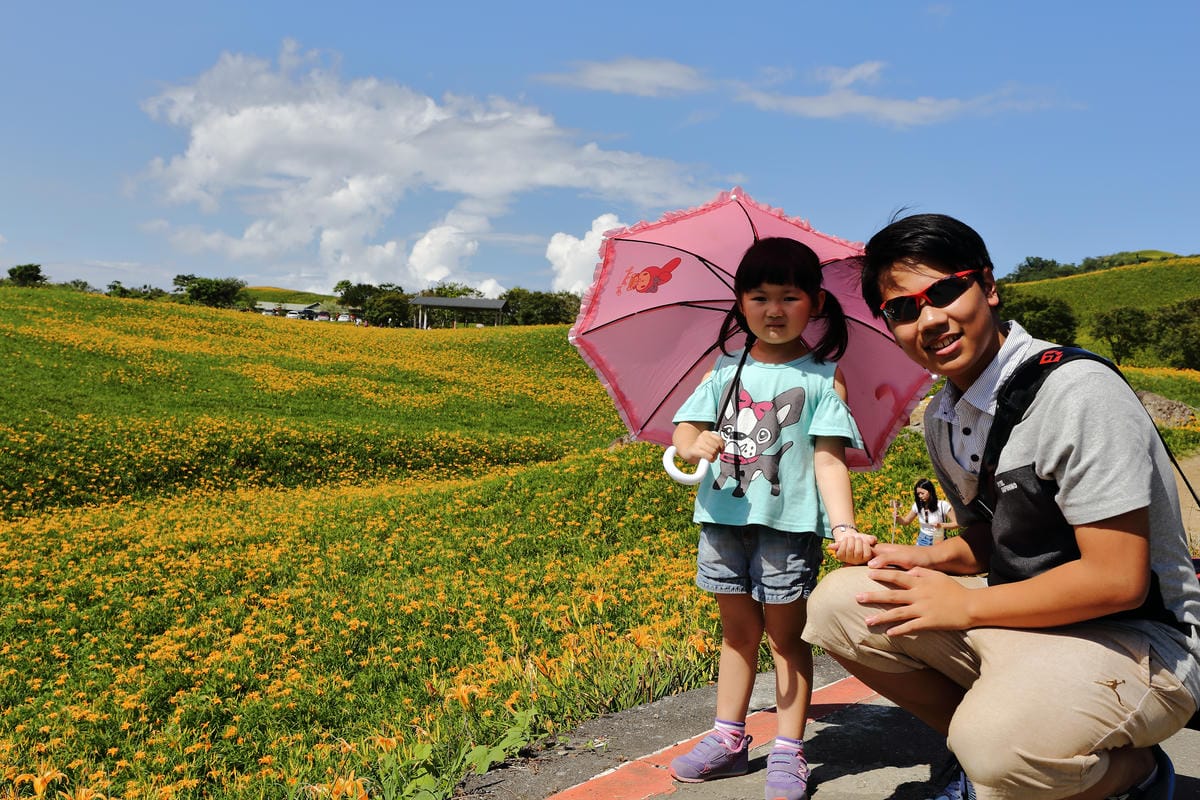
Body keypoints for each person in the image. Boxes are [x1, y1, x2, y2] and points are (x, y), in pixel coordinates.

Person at [804, 213, 1200, 800]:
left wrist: (964, 608)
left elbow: (1117, 580)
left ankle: (1133, 773)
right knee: (841, 603)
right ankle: (988, 749)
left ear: (988, 286)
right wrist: (925, 558)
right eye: (903, 309)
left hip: (1141, 639)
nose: (928, 319)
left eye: (944, 291)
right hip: (1030, 619)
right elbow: (992, 540)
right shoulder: (943, 419)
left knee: (999, 750)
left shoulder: (1075, 392)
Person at [669, 237, 875, 800]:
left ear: (816, 303)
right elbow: (684, 429)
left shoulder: (822, 378)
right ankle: (728, 738)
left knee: (787, 639)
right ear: (740, 304)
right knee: (737, 633)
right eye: (759, 297)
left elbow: (829, 460)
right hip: (722, 520)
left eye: (789, 297)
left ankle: (788, 748)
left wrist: (844, 526)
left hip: (788, 528)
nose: (774, 310)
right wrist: (692, 445)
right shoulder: (723, 369)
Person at [895, 478, 957, 546]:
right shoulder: (917, 506)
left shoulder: (943, 505)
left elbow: (957, 523)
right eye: (918, 494)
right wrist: (897, 518)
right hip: (922, 540)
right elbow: (906, 522)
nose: (920, 496)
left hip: (938, 539)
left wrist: (942, 525)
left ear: (930, 491)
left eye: (922, 493)